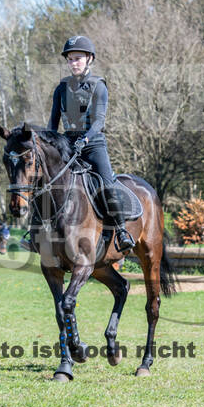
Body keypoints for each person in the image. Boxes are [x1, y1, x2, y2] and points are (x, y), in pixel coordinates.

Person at [45, 35, 135, 252]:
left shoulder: (98, 86)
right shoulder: (61, 88)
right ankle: (37, 231)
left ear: (89, 60)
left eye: (77, 58)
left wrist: (84, 139)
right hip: (67, 145)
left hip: (93, 144)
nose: (73, 63)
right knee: (45, 181)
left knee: (106, 183)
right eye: (70, 59)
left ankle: (122, 231)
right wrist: (50, 143)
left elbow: (98, 122)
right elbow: (52, 122)